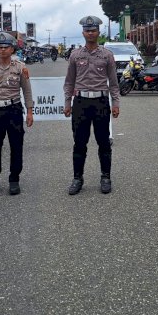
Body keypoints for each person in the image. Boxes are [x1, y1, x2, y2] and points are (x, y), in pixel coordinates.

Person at [63, 15, 120, 195]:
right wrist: (67, 102)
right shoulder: (75, 55)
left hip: (101, 102)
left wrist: (116, 102)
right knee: (79, 143)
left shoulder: (107, 55)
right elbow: (69, 82)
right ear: (83, 33)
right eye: (87, 30)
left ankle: (105, 177)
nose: (90, 33)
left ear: (98, 32)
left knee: (104, 142)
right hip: (80, 102)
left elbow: (113, 82)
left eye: (93, 30)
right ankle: (77, 178)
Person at [0, 32, 34, 196]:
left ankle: (14, 180)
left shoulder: (20, 67)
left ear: (12, 49)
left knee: (16, 146)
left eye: (6, 47)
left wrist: (30, 111)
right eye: (0, 47)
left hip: (14, 110)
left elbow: (27, 91)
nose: (2, 50)